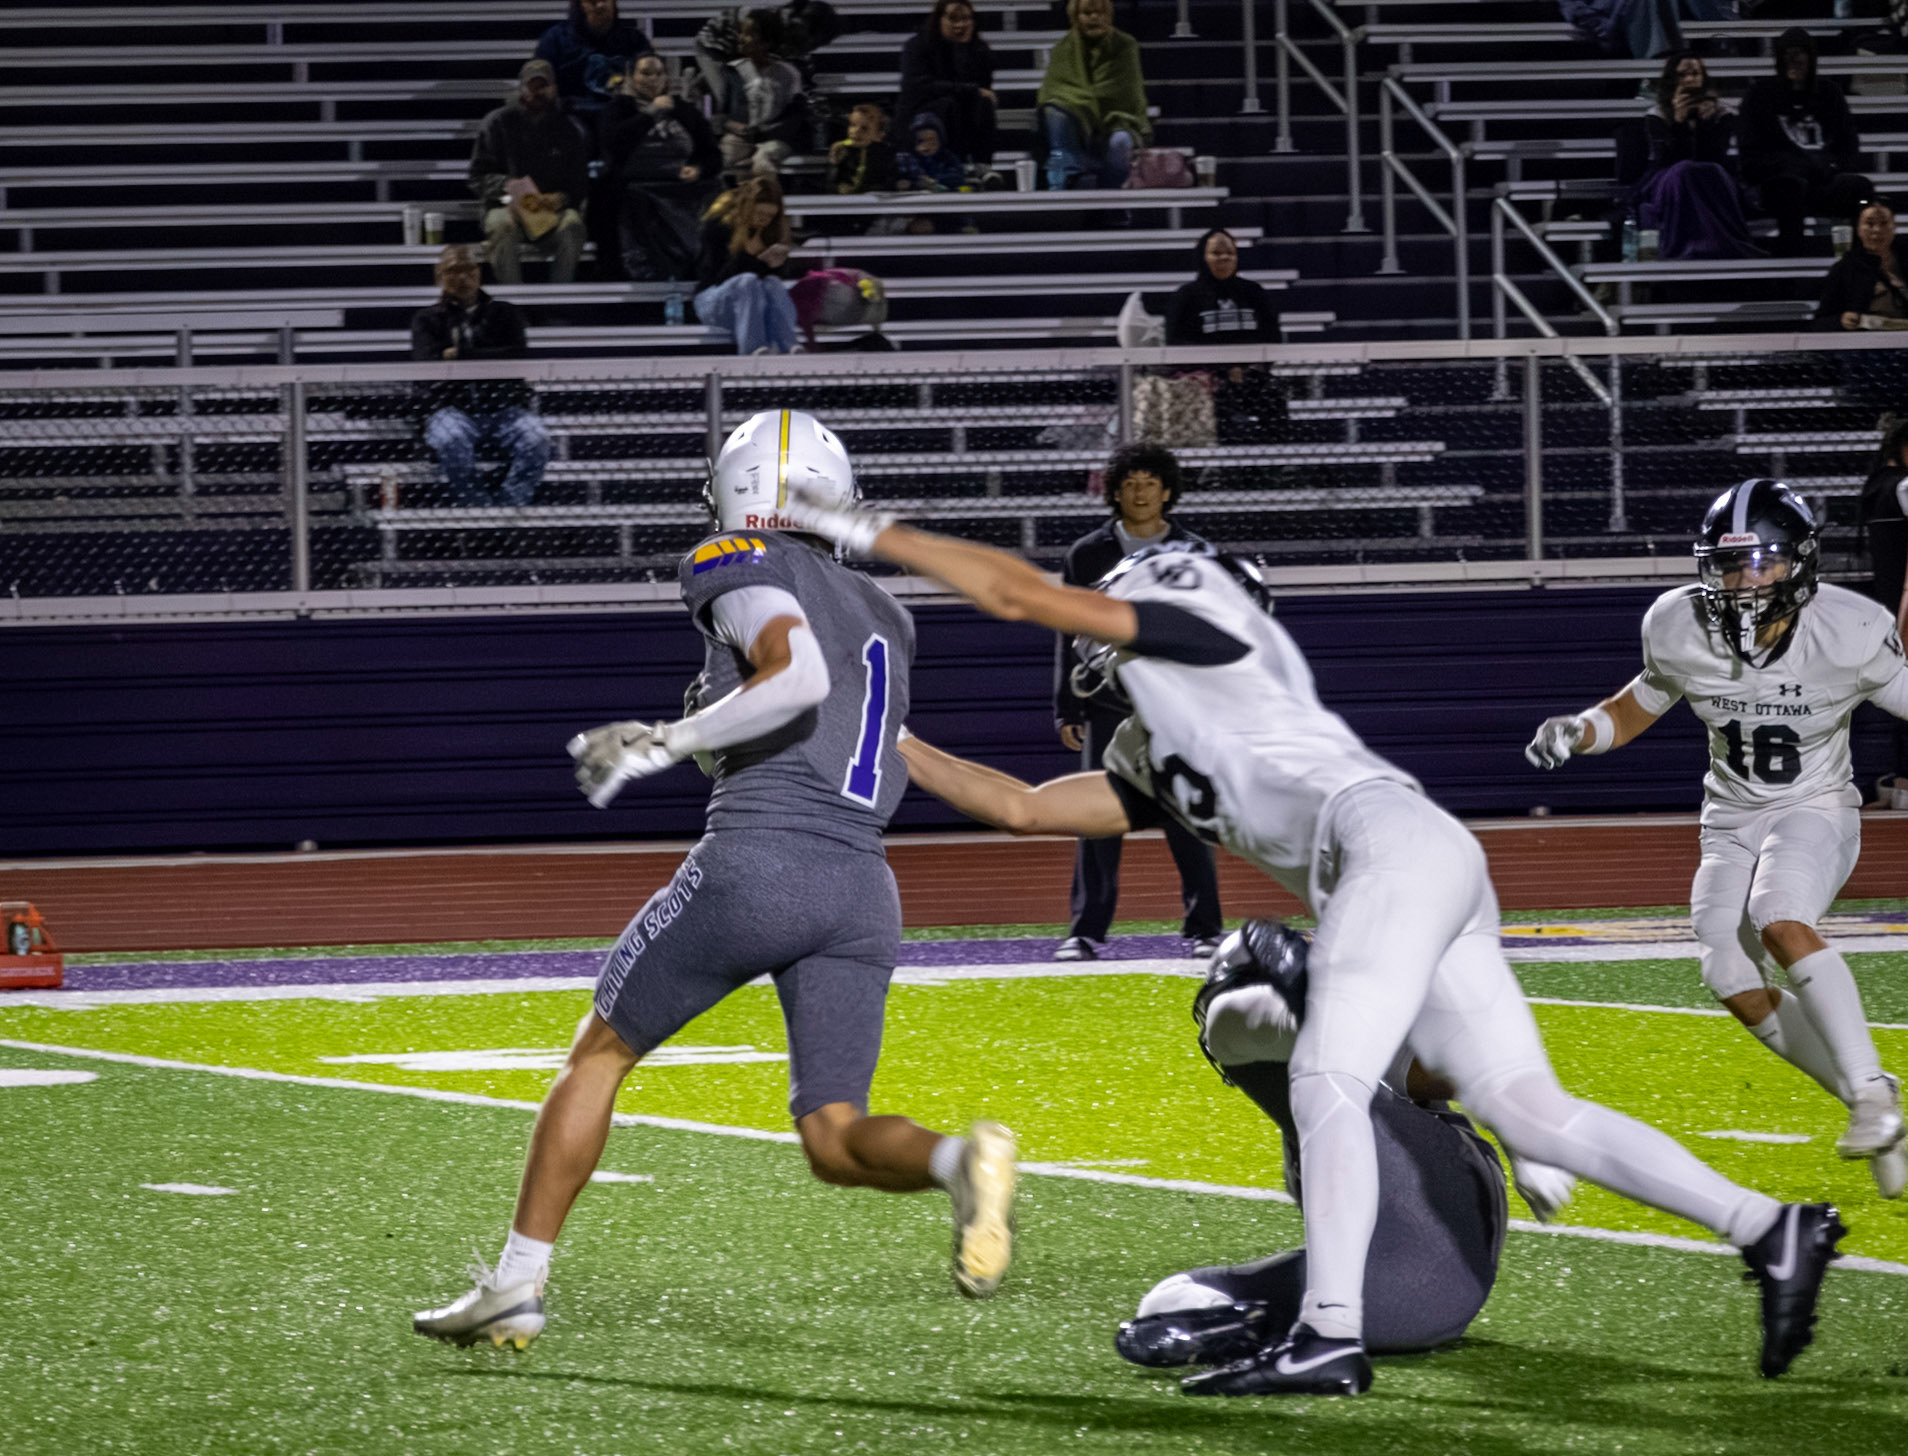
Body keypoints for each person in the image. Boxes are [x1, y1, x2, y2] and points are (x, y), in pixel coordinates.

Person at [776, 492, 1844, 1397]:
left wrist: (872, 531)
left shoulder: (1204, 617)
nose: (1097, 637)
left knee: (1328, 1079)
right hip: (1413, 860)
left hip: (1382, 846)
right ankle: (1768, 1227)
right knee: (1535, 1113)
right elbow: (1017, 806)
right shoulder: (1157, 737)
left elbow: (1018, 595)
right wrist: (878, 730)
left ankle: (1327, 1334)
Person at [413, 410, 1019, 1351]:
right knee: (832, 1132)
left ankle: (517, 1285)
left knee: (599, 1054)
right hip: (863, 889)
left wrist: (667, 740)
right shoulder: (889, 615)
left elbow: (795, 676)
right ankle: (954, 1160)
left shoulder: (731, 552)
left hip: (760, 862)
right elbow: (836, 716)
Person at [1528, 478, 1908, 1202]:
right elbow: (1639, 702)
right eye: (1731, 564)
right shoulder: (1679, 623)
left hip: (1815, 806)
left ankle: (1869, 1095)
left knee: (1779, 917)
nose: (1746, 580)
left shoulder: (1848, 630)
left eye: (1763, 562)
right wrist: (1579, 731)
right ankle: (1873, 1091)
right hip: (1729, 818)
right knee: (1728, 975)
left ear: (1799, 564)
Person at [1113, 920, 1538, 1371]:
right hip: (1416, 1300)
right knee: (1166, 1301)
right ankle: (1258, 1325)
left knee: (1169, 1303)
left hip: (1415, 1279)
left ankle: (1261, 1325)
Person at [1052, 444, 1222, 963]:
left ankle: (1205, 928)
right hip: (1107, 702)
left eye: (1150, 482)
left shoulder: (1196, 552)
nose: (1140, 491)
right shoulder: (1087, 554)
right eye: (1129, 483)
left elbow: (1214, 627)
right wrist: (1068, 705)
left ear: (1168, 491)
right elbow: (1069, 630)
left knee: (1188, 816)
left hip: (1176, 704)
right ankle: (1085, 932)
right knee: (1098, 819)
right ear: (1115, 492)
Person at [408, 246, 550, 507]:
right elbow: (427, 363)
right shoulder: (426, 320)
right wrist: (486, 355)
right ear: (439, 275)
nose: (462, 277)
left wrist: (458, 354)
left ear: (479, 273)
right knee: (451, 440)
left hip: (505, 407)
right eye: (453, 271)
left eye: (468, 270)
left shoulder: (505, 313)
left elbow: (516, 355)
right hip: (451, 409)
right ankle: (478, 509)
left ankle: (508, 509)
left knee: (537, 439)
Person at [1739, 27, 1872, 257]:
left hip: (1822, 182)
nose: (1795, 60)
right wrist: (1788, 166)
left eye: (1800, 53)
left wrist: (1833, 167)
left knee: (1860, 188)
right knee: (1790, 188)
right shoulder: (1760, 95)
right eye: (1788, 54)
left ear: (1811, 57)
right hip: (1778, 186)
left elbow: (1849, 145)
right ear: (1779, 59)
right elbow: (1749, 157)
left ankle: (1859, 260)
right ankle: (1791, 265)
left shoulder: (1830, 93)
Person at [596, 53, 721, 281]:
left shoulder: (684, 110)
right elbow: (613, 144)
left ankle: (703, 271)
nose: (652, 79)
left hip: (680, 188)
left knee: (718, 194)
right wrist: (650, 113)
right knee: (631, 202)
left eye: (658, 74)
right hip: (635, 188)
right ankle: (649, 273)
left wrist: (698, 169)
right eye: (645, 73)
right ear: (631, 77)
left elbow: (712, 155)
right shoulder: (617, 109)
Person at [470, 59, 590, 284]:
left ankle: (558, 299)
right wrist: (512, 189)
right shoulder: (497, 122)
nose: (537, 92)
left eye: (543, 86)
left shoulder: (568, 128)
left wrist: (560, 198)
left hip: (551, 211)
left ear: (553, 88)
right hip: (506, 206)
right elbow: (477, 177)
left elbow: (579, 182)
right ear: (521, 88)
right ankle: (513, 301)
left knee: (573, 225)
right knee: (500, 225)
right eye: (531, 86)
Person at [1165, 228, 1288, 443]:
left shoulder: (1254, 292)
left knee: (1274, 395)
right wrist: (1221, 370)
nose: (1224, 258)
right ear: (1202, 256)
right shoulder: (1186, 296)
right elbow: (1176, 341)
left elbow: (1272, 337)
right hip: (1206, 380)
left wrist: (1247, 369)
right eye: (1216, 253)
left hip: (1252, 377)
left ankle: (1276, 462)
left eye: (1230, 253)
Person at [1634, 52, 1759, 261]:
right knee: (1684, 169)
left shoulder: (1722, 113)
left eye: (1695, 73)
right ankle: (1681, 248)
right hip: (1669, 178)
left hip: (1710, 176)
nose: (1690, 80)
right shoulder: (1656, 114)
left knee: (1707, 170)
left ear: (1704, 78)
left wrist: (1705, 125)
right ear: (1672, 80)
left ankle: (1721, 245)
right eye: (1683, 75)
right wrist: (1679, 123)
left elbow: (1714, 158)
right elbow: (1666, 159)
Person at [1036, 0, 1149, 192]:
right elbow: (1053, 91)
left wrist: (1086, 102)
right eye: (1087, 13)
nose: (1094, 18)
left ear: (1109, 16)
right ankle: (1063, 192)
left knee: (1120, 142)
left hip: (1118, 120)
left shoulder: (1125, 46)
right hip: (1076, 124)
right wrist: (1083, 107)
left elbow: (1127, 92)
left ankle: (1112, 203)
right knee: (1055, 112)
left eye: (1100, 13)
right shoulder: (1062, 49)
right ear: (1076, 17)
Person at [693, 175, 801, 354]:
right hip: (712, 299)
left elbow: (771, 284)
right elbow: (716, 275)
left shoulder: (768, 233)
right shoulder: (720, 227)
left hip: (752, 307)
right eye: (759, 214)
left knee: (773, 283)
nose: (763, 220)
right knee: (748, 281)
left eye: (769, 216)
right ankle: (753, 351)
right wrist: (751, 258)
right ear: (747, 208)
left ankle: (789, 348)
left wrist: (776, 265)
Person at [897, 0, 998, 168]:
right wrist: (967, 90)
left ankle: (983, 167)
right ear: (939, 19)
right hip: (922, 111)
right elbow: (919, 86)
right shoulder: (917, 45)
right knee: (949, 105)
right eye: (953, 18)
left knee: (983, 104)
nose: (960, 25)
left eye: (966, 18)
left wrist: (963, 48)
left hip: (959, 111)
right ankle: (950, 165)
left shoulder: (978, 50)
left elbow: (983, 86)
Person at [712, 8, 807, 179]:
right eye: (741, 32)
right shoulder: (732, 71)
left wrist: (766, 130)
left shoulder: (787, 73)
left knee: (763, 162)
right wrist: (734, 126)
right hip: (741, 137)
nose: (741, 38)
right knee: (723, 159)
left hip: (776, 138)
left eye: (749, 34)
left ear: (766, 42)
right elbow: (721, 114)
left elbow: (796, 115)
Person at [534, 0, 654, 120]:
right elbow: (537, 81)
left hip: (624, 121)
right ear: (580, 5)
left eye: (605, 0)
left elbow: (654, 79)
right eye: (593, 1)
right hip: (570, 121)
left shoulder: (634, 40)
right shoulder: (555, 40)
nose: (600, 5)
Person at [827, 103, 899, 195]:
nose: (855, 131)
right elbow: (832, 184)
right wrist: (834, 163)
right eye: (852, 125)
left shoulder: (885, 154)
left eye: (864, 128)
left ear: (879, 135)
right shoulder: (845, 150)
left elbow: (887, 182)